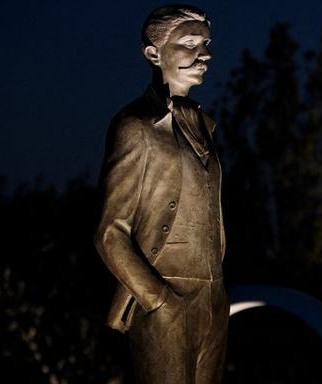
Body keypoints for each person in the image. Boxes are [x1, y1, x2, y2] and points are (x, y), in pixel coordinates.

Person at [93, 5, 227, 383]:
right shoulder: (136, 127)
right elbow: (110, 231)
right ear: (154, 53)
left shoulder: (206, 128)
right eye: (189, 44)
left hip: (213, 300)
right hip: (165, 296)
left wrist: (217, 295)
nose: (205, 54)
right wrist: (158, 300)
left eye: (206, 43)